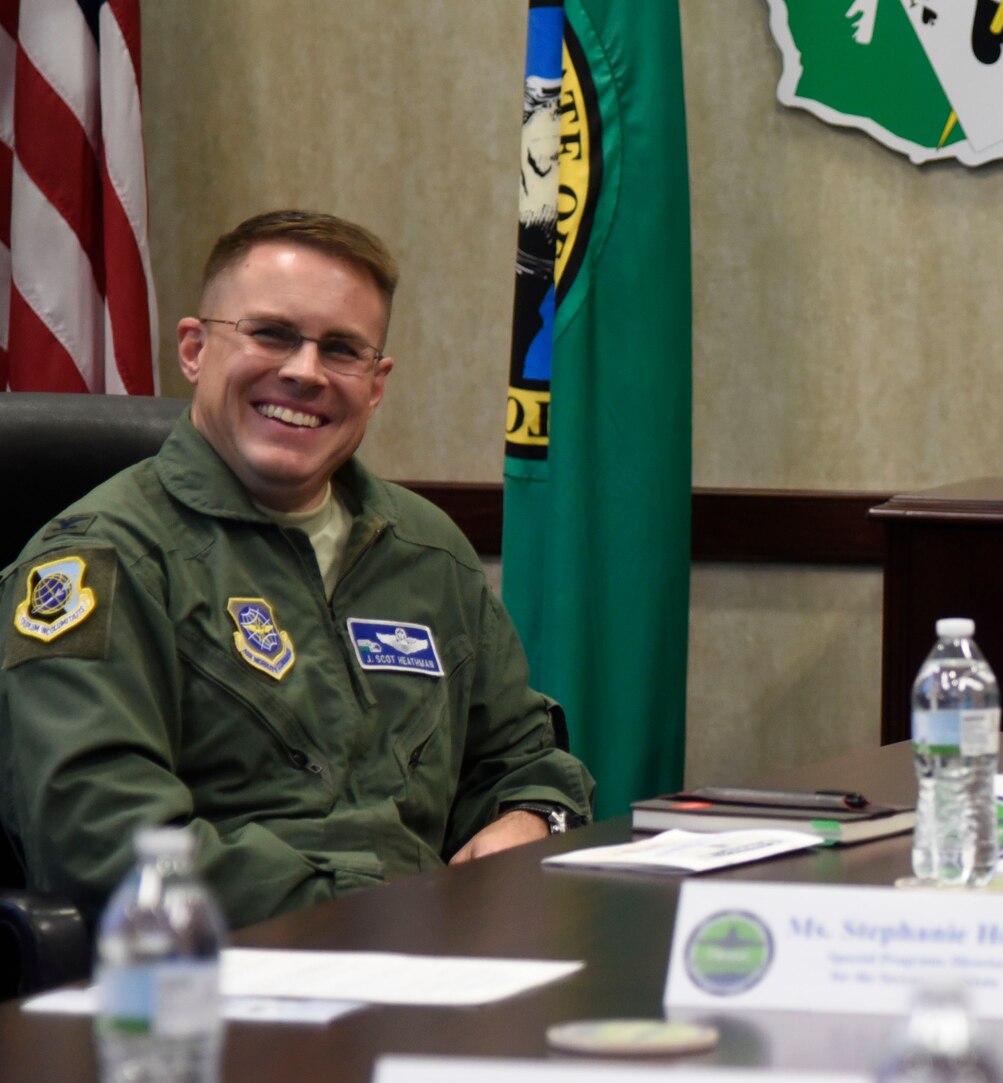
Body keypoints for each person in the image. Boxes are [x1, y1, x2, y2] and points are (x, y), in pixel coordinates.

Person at [0, 210, 593, 927]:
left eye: (341, 350)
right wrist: (386, 912)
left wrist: (532, 815)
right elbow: (103, 841)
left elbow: (522, 757)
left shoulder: (426, 551)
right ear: (193, 349)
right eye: (272, 334)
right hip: (218, 981)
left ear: (375, 384)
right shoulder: (103, 561)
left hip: (433, 963)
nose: (304, 372)